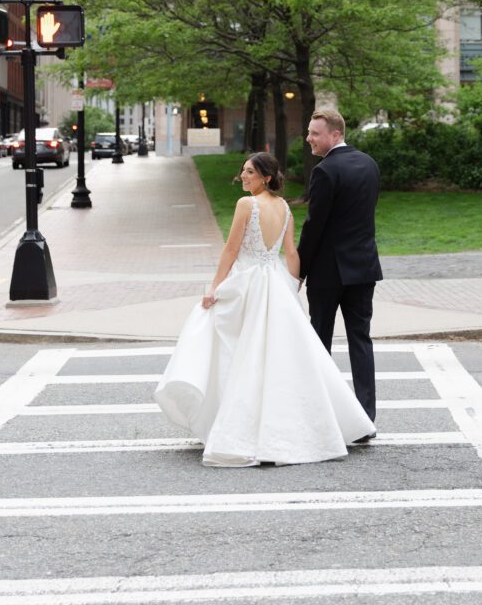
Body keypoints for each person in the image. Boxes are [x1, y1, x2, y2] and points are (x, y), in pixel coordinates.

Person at [154, 152, 375, 467]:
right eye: (243, 171)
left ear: (266, 177)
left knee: (235, 349)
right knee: (273, 357)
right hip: (274, 282)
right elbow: (290, 251)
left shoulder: (247, 205)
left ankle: (236, 422)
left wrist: (215, 286)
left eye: (249, 172)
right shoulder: (284, 207)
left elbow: (231, 249)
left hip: (248, 284)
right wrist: (293, 282)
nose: (242, 177)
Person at [297, 109, 382, 435]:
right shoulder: (369, 164)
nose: (308, 139)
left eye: (314, 133)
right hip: (363, 268)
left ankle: (324, 415)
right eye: (309, 132)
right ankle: (365, 417)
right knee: (361, 340)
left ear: (335, 134)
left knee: (320, 342)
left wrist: (300, 271)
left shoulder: (325, 171)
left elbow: (314, 226)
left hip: (329, 273)